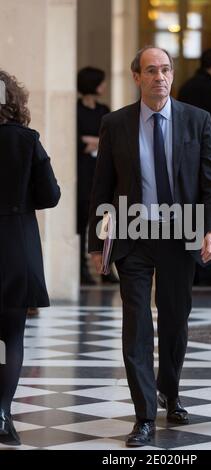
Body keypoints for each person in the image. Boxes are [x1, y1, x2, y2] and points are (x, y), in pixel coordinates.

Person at [88, 46, 211, 446]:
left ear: (172, 74)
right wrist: (98, 242)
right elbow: (102, 186)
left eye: (165, 70)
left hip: (181, 231)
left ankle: (170, 389)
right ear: (137, 77)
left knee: (174, 320)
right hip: (133, 233)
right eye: (151, 71)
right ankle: (144, 415)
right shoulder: (115, 124)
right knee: (136, 323)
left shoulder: (197, 120)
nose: (159, 77)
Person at [0, 70, 61, 445]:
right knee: (12, 336)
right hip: (15, 246)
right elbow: (50, 195)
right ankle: (2, 413)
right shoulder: (27, 141)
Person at [178, 49, 211, 286]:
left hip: (187, 162)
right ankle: (205, 269)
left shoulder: (187, 87)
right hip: (210, 160)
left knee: (193, 213)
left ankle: (197, 268)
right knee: (208, 208)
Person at [77, 67, 111, 285]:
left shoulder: (103, 110)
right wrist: (92, 142)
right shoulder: (76, 110)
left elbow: (109, 140)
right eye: (101, 82)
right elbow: (76, 142)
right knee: (81, 223)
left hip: (101, 171)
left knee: (104, 223)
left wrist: (91, 141)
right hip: (82, 172)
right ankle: (82, 270)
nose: (104, 86)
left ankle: (106, 270)